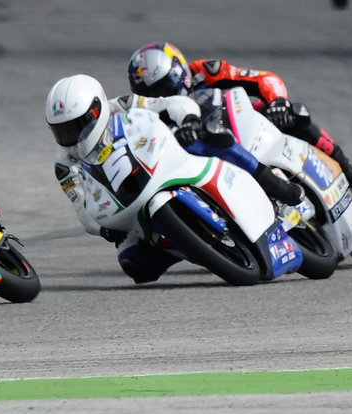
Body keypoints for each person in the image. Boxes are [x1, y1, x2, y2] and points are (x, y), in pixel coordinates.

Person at [47, 73, 305, 284]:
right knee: (135, 266)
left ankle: (272, 183)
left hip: (160, 154)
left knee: (211, 138)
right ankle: (193, 243)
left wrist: (189, 120)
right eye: (62, 131)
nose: (71, 136)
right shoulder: (64, 163)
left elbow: (170, 103)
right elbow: (80, 205)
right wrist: (101, 229)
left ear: (97, 109)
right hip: (127, 201)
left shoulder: (122, 104)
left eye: (76, 126)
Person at [126, 42, 352, 193]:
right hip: (211, 158)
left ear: (179, 70)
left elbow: (263, 78)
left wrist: (278, 102)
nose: (163, 95)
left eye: (165, 85)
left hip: (247, 128)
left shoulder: (205, 71)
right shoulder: (152, 114)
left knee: (293, 113)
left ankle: (344, 163)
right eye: (152, 93)